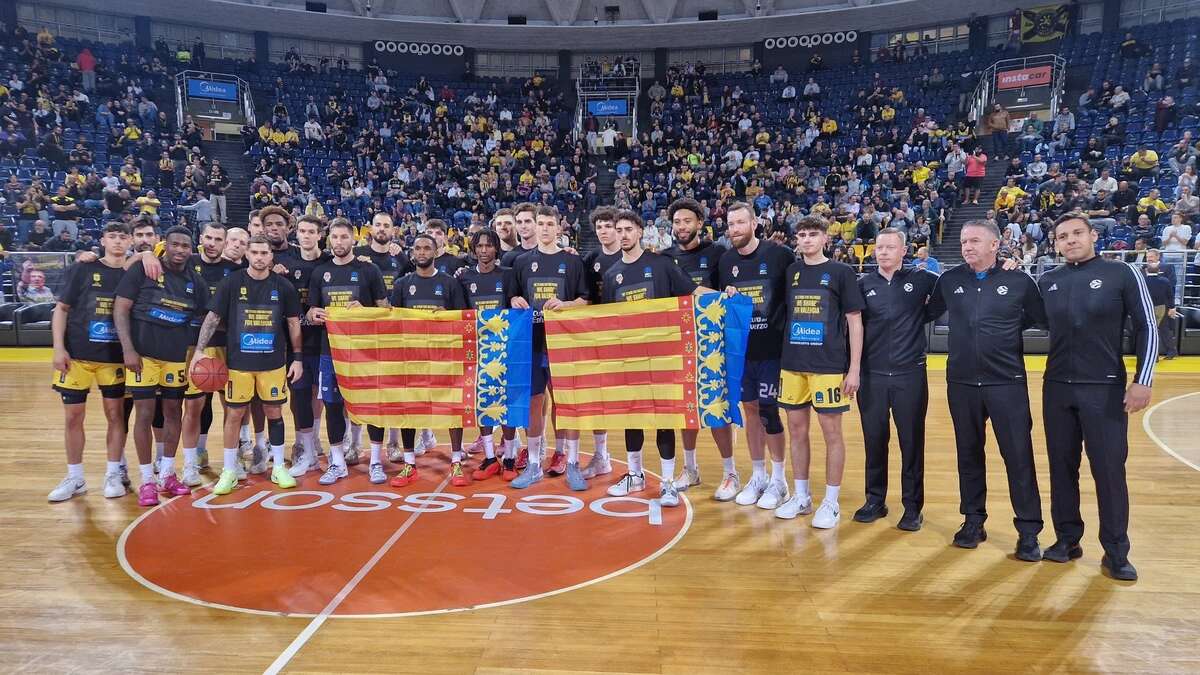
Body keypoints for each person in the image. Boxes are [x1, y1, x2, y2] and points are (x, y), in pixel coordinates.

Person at [1038, 214, 1157, 581]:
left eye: (1077, 233)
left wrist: (1143, 379)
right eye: (1063, 236)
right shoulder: (1048, 281)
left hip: (1103, 388)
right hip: (1056, 386)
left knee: (1108, 471)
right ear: (1056, 243)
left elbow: (1147, 325)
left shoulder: (1122, 274)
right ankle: (1067, 539)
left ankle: (1116, 551)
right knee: (1061, 467)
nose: (1070, 240)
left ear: (1092, 235)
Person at [927, 220, 1046, 561]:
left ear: (995, 245)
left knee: (1018, 456)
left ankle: (1028, 531)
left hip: (1006, 383)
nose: (967, 246)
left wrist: (1006, 328)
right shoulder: (950, 281)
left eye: (975, 240)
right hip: (962, 383)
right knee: (968, 453)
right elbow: (922, 312)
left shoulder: (1019, 280)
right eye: (964, 241)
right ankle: (973, 520)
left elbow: (1040, 318)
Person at [600, 209, 705, 506]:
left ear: (640, 231)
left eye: (627, 229)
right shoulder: (611, 275)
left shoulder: (661, 264)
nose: (622, 234)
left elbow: (693, 292)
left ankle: (668, 482)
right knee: (632, 415)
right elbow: (608, 319)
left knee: (664, 418)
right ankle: (635, 475)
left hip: (662, 356)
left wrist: (726, 295)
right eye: (618, 229)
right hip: (629, 359)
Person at [770, 216, 865, 528]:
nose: (806, 239)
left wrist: (854, 369)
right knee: (796, 431)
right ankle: (801, 496)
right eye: (802, 234)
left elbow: (854, 321)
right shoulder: (792, 272)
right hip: (793, 364)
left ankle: (831, 501)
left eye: (813, 234)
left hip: (827, 365)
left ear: (825, 238)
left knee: (832, 434)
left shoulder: (841, 272)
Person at [194, 236, 303, 495]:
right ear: (247, 254)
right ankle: (230, 470)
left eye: (264, 252)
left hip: (273, 363)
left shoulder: (283, 286)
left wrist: (297, 358)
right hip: (239, 363)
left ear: (271, 256)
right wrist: (199, 350)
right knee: (233, 415)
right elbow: (213, 317)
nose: (259, 257)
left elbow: (293, 323)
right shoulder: (231, 282)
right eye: (254, 252)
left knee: (274, 413)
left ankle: (277, 466)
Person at [113, 227, 210, 507]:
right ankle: (146, 479)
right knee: (144, 414)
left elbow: (211, 314)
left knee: (172, 413)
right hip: (143, 354)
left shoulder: (195, 280)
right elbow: (120, 308)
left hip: (175, 356)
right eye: (175, 244)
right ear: (165, 245)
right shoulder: (144, 270)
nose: (180, 250)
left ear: (191, 250)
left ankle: (168, 472)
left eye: (185, 246)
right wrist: (128, 349)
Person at [850, 227, 939, 530]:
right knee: (875, 440)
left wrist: (1005, 264)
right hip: (872, 376)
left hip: (909, 375)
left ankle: (912, 507)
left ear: (904, 251)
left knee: (911, 442)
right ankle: (875, 499)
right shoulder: (863, 285)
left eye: (890, 247)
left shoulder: (923, 279)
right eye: (879, 247)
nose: (883, 252)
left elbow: (952, 292)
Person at [47, 223, 133, 502]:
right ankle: (75, 476)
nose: (118, 242)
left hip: (114, 358)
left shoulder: (133, 274)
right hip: (77, 356)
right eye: (112, 237)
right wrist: (58, 348)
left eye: (123, 237)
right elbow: (61, 309)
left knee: (115, 416)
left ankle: (112, 472)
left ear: (130, 241)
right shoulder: (84, 268)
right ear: (103, 239)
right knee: (73, 417)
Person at [718, 202, 795, 507]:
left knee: (769, 411)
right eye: (730, 223)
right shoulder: (725, 261)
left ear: (754, 223)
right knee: (750, 411)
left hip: (773, 351)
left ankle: (779, 480)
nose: (735, 228)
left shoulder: (779, 255)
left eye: (740, 222)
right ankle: (758, 475)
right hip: (742, 353)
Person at [661, 198, 739, 499]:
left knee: (717, 407)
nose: (682, 227)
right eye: (677, 222)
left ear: (699, 224)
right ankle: (690, 468)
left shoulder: (718, 253)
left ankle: (730, 472)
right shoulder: (664, 258)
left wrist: (728, 292)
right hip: (679, 342)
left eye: (687, 222)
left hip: (712, 344)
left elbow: (727, 292)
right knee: (685, 409)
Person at [508, 205, 589, 489]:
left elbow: (586, 300)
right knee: (534, 402)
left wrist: (567, 304)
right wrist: (515, 299)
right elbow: (513, 295)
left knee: (565, 401)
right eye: (539, 223)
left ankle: (566, 457)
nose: (543, 228)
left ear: (558, 228)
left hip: (563, 342)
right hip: (532, 341)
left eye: (548, 224)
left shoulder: (573, 262)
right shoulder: (520, 262)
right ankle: (533, 464)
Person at [306, 217, 389, 485]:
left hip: (365, 351)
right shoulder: (320, 272)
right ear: (328, 239)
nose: (339, 242)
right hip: (330, 351)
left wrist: (365, 312)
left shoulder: (369, 270)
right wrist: (312, 314)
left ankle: (376, 460)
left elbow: (385, 310)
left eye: (344, 237)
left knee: (373, 406)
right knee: (332, 405)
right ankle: (338, 462)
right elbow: (310, 312)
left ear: (354, 239)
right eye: (335, 237)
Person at [387, 233, 470, 488]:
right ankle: (410, 464)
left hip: (444, 355)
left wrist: (449, 315)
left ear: (435, 252)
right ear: (412, 253)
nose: (422, 252)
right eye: (418, 248)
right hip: (412, 356)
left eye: (427, 248)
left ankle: (456, 461)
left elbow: (463, 317)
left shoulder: (449, 283)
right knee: (409, 409)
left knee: (452, 408)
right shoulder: (402, 283)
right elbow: (393, 319)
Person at [459, 228, 519, 481]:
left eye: (489, 246)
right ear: (473, 250)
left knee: (506, 406)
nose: (484, 250)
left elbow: (516, 305)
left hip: (504, 348)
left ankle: (510, 458)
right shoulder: (463, 278)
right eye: (479, 246)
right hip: (476, 350)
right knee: (482, 404)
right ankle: (489, 457)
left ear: (496, 248)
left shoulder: (508, 275)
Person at [273, 215, 330, 476]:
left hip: (326, 341)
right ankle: (304, 447)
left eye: (311, 232)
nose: (306, 236)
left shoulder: (330, 261)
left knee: (323, 394)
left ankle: (316, 438)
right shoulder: (285, 264)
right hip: (295, 341)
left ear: (320, 235)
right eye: (303, 231)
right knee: (300, 395)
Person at [578, 206, 622, 480]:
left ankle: (639, 464)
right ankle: (601, 455)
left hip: (628, 335)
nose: (604, 231)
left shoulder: (631, 255)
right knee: (597, 397)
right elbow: (583, 296)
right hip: (598, 335)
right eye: (600, 227)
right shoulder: (590, 259)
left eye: (609, 226)